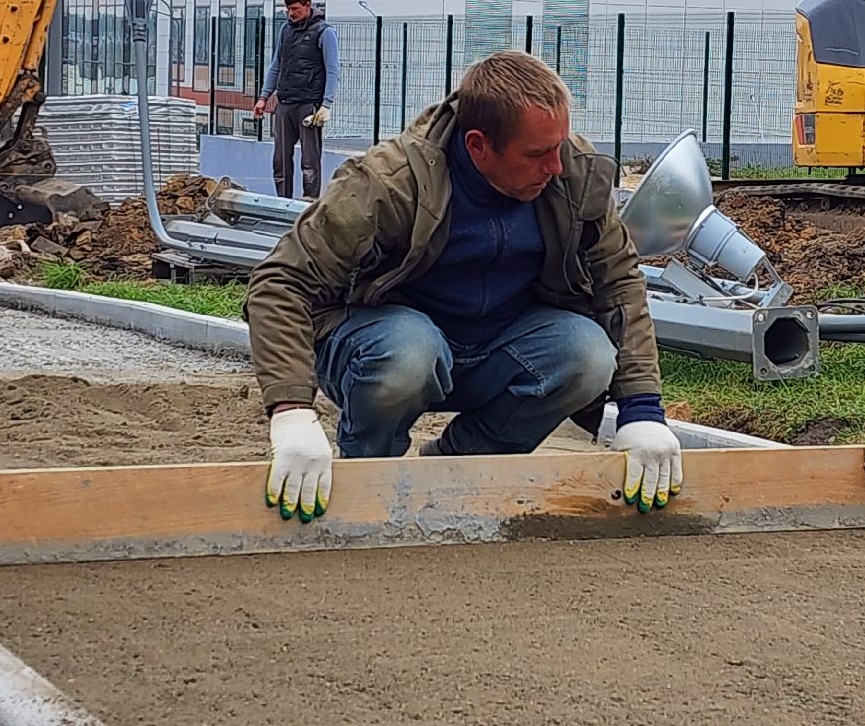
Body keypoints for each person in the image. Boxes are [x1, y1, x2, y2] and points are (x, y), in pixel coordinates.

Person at [245, 50, 683, 522]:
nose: (556, 166)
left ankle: (461, 468)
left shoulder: (573, 175)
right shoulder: (387, 183)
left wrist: (642, 411)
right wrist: (291, 412)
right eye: (537, 154)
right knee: (409, 350)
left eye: (558, 147)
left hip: (497, 346)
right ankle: (367, 473)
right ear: (478, 146)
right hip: (384, 347)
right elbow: (280, 282)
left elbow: (618, 281)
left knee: (588, 355)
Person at [253, 0, 338, 198]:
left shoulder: (324, 32)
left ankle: (309, 203)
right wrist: (264, 97)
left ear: (308, 6)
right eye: (288, 9)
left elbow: (333, 69)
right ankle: (283, 202)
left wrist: (326, 104)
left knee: (309, 161)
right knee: (280, 160)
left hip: (309, 106)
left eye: (296, 9)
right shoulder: (285, 31)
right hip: (285, 103)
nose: (291, 13)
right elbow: (276, 65)